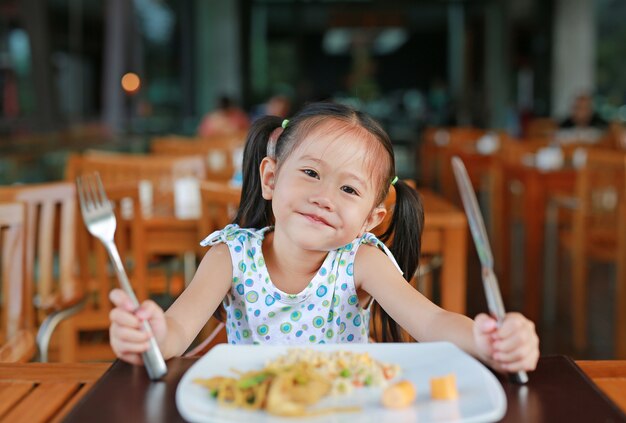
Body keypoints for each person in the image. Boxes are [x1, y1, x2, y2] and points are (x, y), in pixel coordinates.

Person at [109, 102, 539, 374]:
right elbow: (178, 329)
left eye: (348, 189)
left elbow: (432, 322)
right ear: (271, 177)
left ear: (371, 219)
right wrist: (149, 334)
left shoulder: (361, 261)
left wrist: (488, 341)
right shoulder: (230, 255)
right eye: (311, 173)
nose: (323, 198)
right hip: (255, 408)